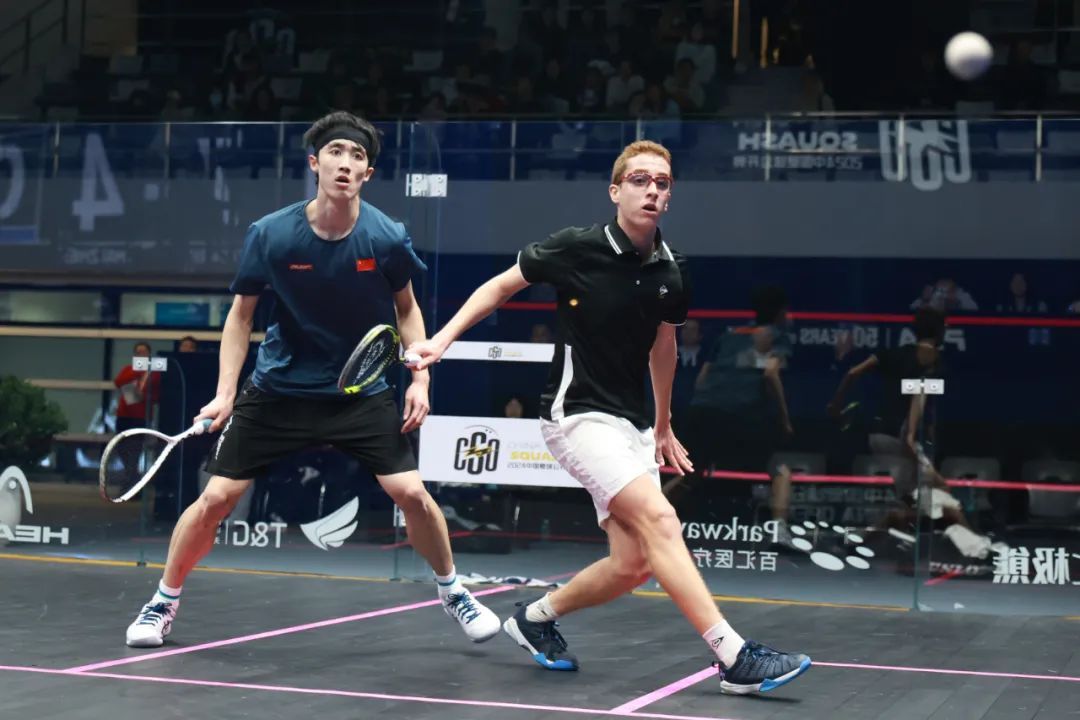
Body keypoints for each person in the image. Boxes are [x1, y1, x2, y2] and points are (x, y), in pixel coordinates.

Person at [407, 140, 811, 695]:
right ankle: (734, 656)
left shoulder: (673, 270)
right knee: (662, 520)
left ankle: (535, 619)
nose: (652, 190)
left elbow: (664, 349)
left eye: (662, 182)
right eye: (640, 180)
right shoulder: (577, 248)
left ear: (669, 197)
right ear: (616, 191)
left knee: (633, 563)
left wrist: (663, 425)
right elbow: (501, 286)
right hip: (576, 416)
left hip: (632, 425)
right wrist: (440, 342)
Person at [125, 111, 500, 648]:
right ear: (314, 163)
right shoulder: (271, 235)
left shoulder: (386, 236)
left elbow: (407, 309)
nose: (345, 164)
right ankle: (163, 601)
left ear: (368, 173)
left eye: (357, 156)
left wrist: (420, 380)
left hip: (359, 392)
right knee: (215, 499)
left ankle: (453, 591)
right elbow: (240, 317)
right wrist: (226, 393)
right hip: (278, 389)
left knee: (412, 495)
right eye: (335, 152)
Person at [672, 287, 796, 545]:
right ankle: (779, 532)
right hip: (741, 414)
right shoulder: (778, 336)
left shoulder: (731, 334)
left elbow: (702, 378)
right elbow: (771, 373)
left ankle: (640, 523)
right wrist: (784, 420)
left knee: (690, 475)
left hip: (703, 410)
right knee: (780, 472)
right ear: (781, 313)